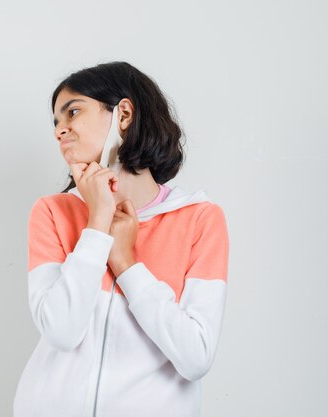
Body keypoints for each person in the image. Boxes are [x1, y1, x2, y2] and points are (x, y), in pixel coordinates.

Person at [13, 62, 229, 417]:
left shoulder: (199, 219)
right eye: (55, 122)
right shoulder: (52, 212)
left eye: (73, 112)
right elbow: (62, 331)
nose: (60, 130)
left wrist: (126, 264)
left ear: (123, 114)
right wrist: (97, 223)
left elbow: (196, 357)